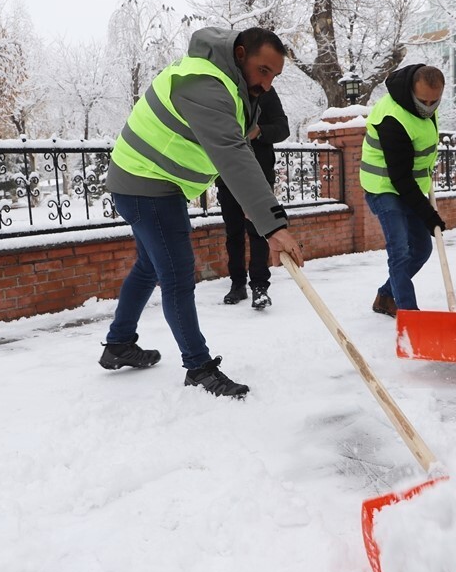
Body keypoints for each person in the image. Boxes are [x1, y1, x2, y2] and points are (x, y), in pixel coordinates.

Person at [98, 26, 305, 399]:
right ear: (240, 54)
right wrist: (273, 226)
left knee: (148, 267)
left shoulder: (226, 82)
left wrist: (252, 207)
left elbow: (236, 145)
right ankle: (198, 367)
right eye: (264, 71)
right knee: (177, 276)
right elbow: (233, 153)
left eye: (275, 75)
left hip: (145, 182)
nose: (268, 83)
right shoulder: (205, 83)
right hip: (147, 184)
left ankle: (118, 345)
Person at [359, 64, 446, 318]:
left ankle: (386, 295)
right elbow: (400, 177)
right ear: (411, 91)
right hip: (384, 187)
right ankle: (409, 313)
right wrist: (429, 215)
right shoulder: (392, 118)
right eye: (423, 101)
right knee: (400, 250)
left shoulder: (427, 107)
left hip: (410, 187)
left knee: (422, 249)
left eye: (434, 101)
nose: (428, 107)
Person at [217, 86, 290, 310]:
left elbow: (282, 128)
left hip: (259, 174)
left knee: (259, 231)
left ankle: (260, 286)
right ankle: (237, 284)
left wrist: (259, 131)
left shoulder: (265, 91)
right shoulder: (224, 90)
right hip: (227, 173)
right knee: (234, 232)